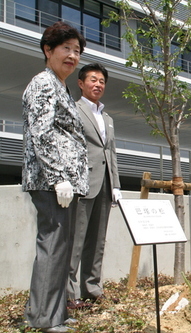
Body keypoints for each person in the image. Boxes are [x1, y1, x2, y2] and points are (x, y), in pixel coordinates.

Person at [22, 21, 88, 332]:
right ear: (48, 50)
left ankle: (56, 312)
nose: (73, 56)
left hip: (66, 184)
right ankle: (43, 319)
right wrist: (57, 177)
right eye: (66, 49)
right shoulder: (43, 83)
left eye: (77, 51)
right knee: (52, 246)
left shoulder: (60, 86)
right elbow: (42, 133)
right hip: (53, 183)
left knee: (61, 248)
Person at [66, 63, 122, 309]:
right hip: (82, 184)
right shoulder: (73, 109)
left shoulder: (107, 118)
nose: (98, 84)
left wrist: (116, 185)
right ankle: (68, 295)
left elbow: (111, 151)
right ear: (81, 83)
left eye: (101, 81)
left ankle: (92, 288)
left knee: (97, 240)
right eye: (93, 80)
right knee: (75, 241)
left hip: (105, 184)